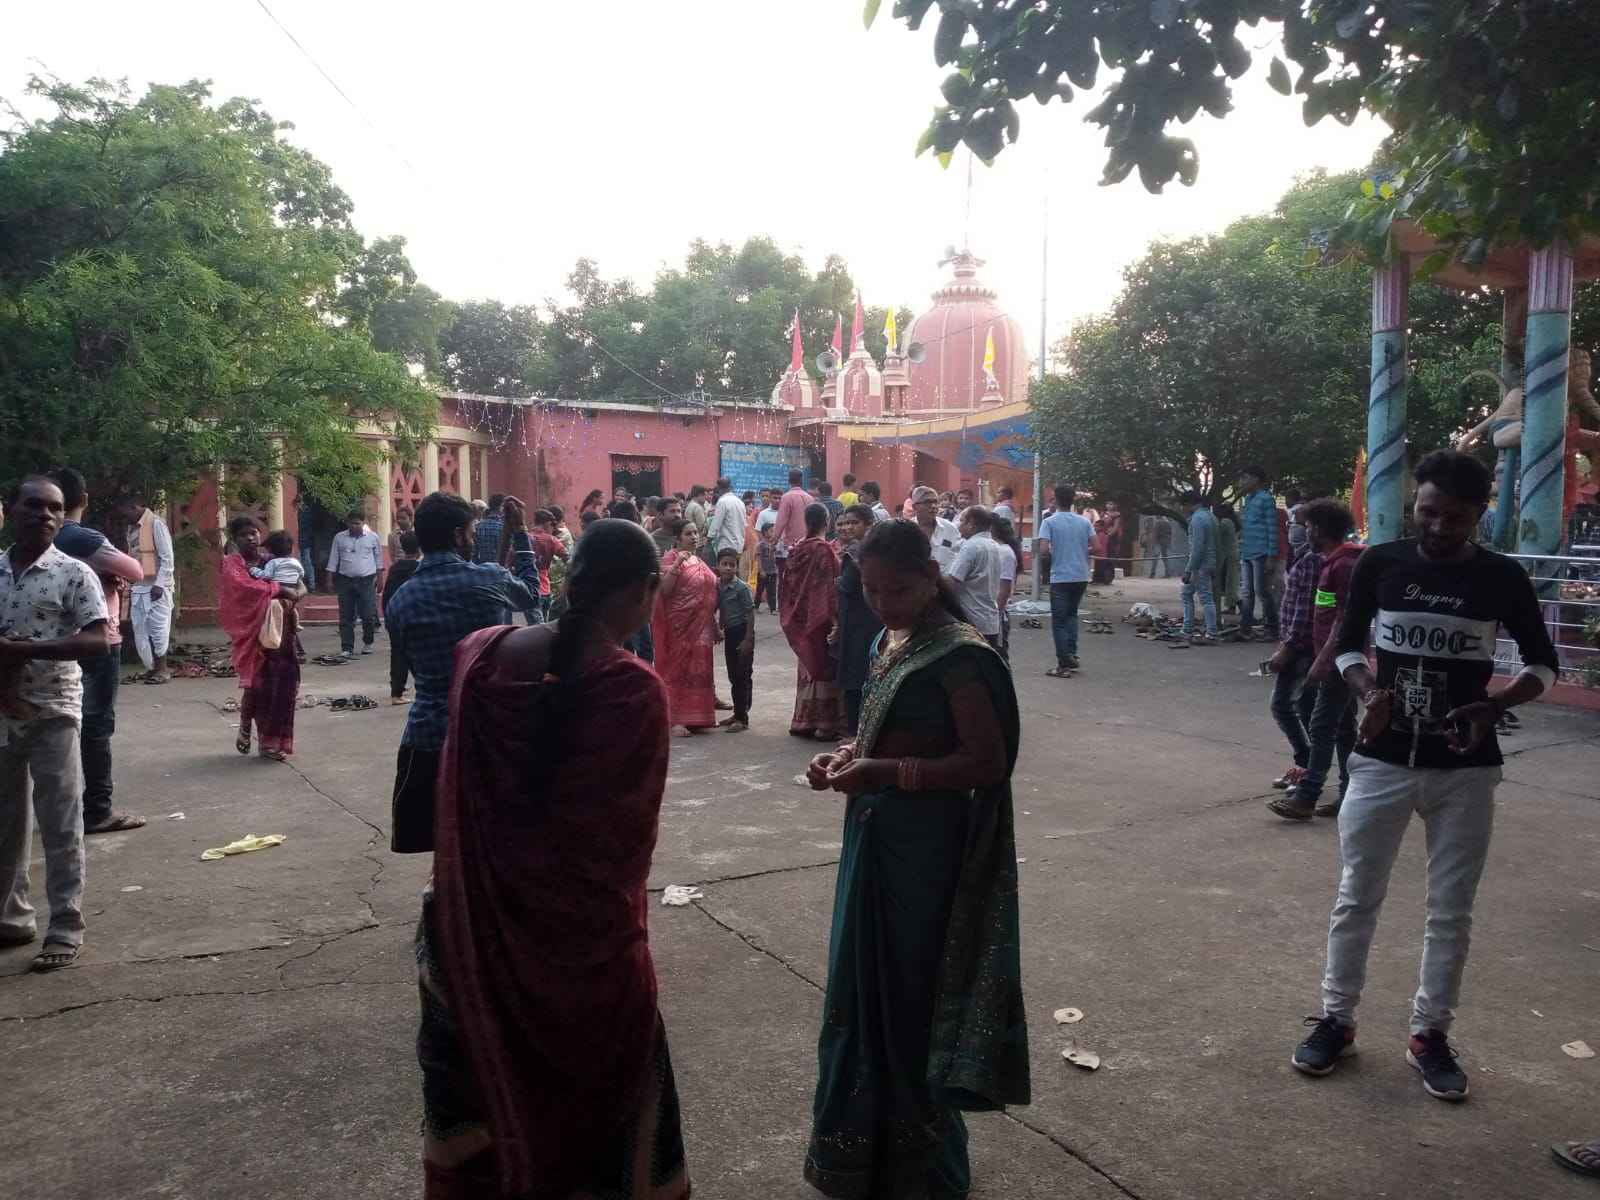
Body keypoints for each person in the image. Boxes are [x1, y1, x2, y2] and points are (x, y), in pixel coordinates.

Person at [417, 518, 689, 1200]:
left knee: (479, 1120)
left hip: (465, 941)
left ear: (571, 581)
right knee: (608, 1134)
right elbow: (622, 853)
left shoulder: (478, 656)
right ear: (646, 588)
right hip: (583, 961)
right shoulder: (630, 688)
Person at [1291, 450, 1559, 1102]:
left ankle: (1429, 1035)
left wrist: (1495, 704)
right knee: (1357, 896)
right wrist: (1367, 690)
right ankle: (1336, 1020)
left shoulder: (1501, 577)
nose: (1438, 527)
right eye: (1428, 512)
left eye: (1455, 518)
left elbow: (1543, 665)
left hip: (1465, 773)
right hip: (1380, 762)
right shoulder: (1380, 564)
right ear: (1416, 505)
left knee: (1451, 912)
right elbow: (1349, 645)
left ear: (1479, 514)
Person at [802, 518, 1029, 1198]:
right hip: (873, 836)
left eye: (897, 590)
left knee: (910, 996)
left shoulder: (960, 657)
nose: (884, 604)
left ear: (931, 577)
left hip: (927, 851)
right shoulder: (887, 639)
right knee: (860, 990)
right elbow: (881, 729)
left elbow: (986, 763)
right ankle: (858, 1156)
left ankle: (923, 1166)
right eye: (871, 591)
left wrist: (884, 772)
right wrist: (845, 756)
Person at [386, 492, 539, 854]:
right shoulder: (489, 580)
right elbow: (531, 594)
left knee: (442, 839)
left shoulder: (400, 600)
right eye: (470, 533)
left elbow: (409, 661)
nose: (472, 539)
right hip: (492, 728)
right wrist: (520, 534)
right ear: (457, 535)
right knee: (494, 840)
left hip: (428, 734)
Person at [0, 476, 110, 972]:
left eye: (55, 508)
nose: (45, 515)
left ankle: (65, 926)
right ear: (10, 510)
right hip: (3, 712)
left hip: (54, 711)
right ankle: (12, 919)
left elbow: (98, 641)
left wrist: (26, 651)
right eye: (34, 505)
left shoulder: (73, 572)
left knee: (60, 823)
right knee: (6, 824)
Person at [49, 468, 146, 835]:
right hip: (97, 638)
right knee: (96, 724)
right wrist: (102, 572)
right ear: (84, 499)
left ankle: (59, 806)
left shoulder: (37, 540)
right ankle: (98, 809)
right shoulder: (82, 537)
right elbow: (135, 570)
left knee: (58, 721)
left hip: (53, 641)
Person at [1269, 500, 1360, 820]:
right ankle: (1347, 794)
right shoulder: (1332, 562)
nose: (1303, 531)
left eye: (1306, 526)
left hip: (1336, 659)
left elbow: (1342, 619)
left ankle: (1307, 796)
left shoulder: (1340, 565)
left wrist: (1321, 660)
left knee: (1321, 725)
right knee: (1343, 728)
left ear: (1319, 529)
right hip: (1333, 657)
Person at [219, 515, 305, 763]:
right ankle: (247, 725)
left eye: (254, 533)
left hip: (282, 633)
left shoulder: (272, 560)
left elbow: (300, 586)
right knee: (258, 687)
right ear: (234, 539)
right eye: (244, 534)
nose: (251, 538)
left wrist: (294, 593)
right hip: (253, 635)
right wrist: (279, 590)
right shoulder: (232, 564)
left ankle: (272, 743)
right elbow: (244, 589)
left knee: (284, 687)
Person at [1261, 506, 1325, 794]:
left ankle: (1309, 772)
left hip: (1303, 647)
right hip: (1299, 644)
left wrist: (1287, 647)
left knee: (1295, 707)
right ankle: (1306, 766)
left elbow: (1305, 609)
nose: (1296, 531)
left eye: (1303, 525)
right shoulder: (1305, 556)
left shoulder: (1312, 561)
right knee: (1297, 707)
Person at [652, 518, 720, 736]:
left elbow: (707, 596)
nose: (694, 537)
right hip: (679, 627)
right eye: (688, 534)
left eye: (695, 533)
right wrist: (676, 565)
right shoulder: (670, 558)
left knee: (699, 671)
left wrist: (714, 625)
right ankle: (675, 720)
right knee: (677, 671)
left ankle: (699, 716)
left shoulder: (698, 560)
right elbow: (664, 591)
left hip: (702, 628)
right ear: (677, 538)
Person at [781, 503, 842, 740]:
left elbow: (788, 585)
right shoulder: (823, 550)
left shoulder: (797, 549)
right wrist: (835, 618)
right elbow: (828, 586)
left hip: (800, 616)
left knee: (808, 664)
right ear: (827, 521)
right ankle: (824, 724)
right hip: (820, 615)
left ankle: (804, 721)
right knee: (823, 664)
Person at [831, 504, 882, 736]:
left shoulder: (856, 551)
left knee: (855, 676)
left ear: (868, 524)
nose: (848, 527)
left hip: (858, 620)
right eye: (844, 523)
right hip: (871, 617)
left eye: (854, 523)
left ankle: (854, 733)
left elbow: (846, 585)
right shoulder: (874, 548)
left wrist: (835, 582)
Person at [1036, 484, 1094, 677]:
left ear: (1056, 499)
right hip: (1081, 575)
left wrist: (1054, 551)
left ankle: (1063, 663)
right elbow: (1097, 547)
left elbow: (1043, 551)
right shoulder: (1084, 522)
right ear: (1072, 500)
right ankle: (1072, 654)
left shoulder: (1049, 522)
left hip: (1060, 576)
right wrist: (1080, 550)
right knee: (1071, 615)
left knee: (1059, 621)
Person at [123, 493, 175, 683]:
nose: (124, 517)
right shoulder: (132, 528)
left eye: (125, 512)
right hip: (139, 585)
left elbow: (167, 558)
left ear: (135, 507)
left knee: (158, 629)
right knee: (141, 629)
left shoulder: (156, 524)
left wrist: (159, 585)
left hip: (157, 587)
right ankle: (151, 667)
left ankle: (162, 670)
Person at [946, 505, 1006, 650]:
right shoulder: (995, 546)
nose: (959, 525)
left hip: (972, 620)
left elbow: (952, 581)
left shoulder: (971, 547)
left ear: (971, 523)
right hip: (989, 620)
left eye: (962, 521)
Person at [326, 509, 382, 659]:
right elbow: (333, 559)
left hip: (366, 581)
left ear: (363, 523)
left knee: (368, 614)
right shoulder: (339, 538)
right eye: (352, 523)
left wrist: (380, 579)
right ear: (347, 523)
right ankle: (347, 647)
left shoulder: (372, 537)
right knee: (346, 616)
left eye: (357, 523)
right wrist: (329, 579)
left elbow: (378, 560)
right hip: (345, 580)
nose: (354, 526)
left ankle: (368, 642)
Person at [715, 548, 755, 732]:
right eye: (724, 564)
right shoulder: (718, 586)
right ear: (718, 566)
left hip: (742, 632)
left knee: (742, 675)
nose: (728, 568)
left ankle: (742, 718)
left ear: (737, 567)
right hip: (730, 633)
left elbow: (750, 613)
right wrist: (717, 628)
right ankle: (737, 712)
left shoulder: (741, 588)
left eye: (732, 565)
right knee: (733, 675)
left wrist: (748, 639)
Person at [1237, 466, 1280, 640]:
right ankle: (1245, 628)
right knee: (1246, 592)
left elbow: (1272, 528)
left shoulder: (1266, 499)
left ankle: (1272, 628)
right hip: (1247, 551)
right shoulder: (1248, 499)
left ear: (1255, 479)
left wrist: (1271, 555)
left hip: (1261, 552)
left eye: (1244, 478)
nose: (1241, 482)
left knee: (1262, 591)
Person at [383, 531, 422, 705]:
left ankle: (397, 691)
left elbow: (387, 594)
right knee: (414, 655)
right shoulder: (419, 569)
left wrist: (387, 616)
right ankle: (408, 690)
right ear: (419, 549)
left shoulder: (395, 568)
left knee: (398, 653)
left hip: (394, 616)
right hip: (414, 617)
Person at [1179, 492, 1220, 645]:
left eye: (1183, 505)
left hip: (1200, 564)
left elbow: (1197, 548)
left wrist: (1188, 570)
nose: (1182, 509)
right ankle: (1187, 629)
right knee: (1187, 593)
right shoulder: (1211, 516)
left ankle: (1211, 633)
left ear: (1189, 503)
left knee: (1205, 598)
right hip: (1209, 562)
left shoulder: (1197, 519)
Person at [774, 468, 813, 598]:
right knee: (804, 576)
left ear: (789, 480)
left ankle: (787, 603)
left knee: (788, 577)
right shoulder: (810, 498)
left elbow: (781, 522)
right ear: (802, 480)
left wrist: (773, 542)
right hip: (808, 543)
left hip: (791, 546)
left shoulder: (787, 497)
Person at [991, 515, 1023, 663]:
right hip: (994, 612)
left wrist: (997, 613)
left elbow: (1004, 588)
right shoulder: (997, 549)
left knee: (999, 656)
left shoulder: (1004, 552)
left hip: (998, 614)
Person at [910, 485, 961, 571]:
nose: (933, 506)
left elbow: (959, 556)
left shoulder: (950, 528)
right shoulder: (906, 530)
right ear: (914, 507)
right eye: (927, 502)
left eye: (935, 502)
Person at [708, 476, 747, 563]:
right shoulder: (740, 502)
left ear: (718, 488)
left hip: (726, 545)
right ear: (730, 487)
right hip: (739, 545)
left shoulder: (722, 501)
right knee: (734, 568)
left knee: (724, 569)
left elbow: (715, 525)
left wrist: (708, 542)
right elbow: (744, 525)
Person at [1214, 502, 1241, 616]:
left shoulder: (1225, 522)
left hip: (1228, 556)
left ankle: (1240, 607)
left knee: (1230, 584)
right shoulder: (1233, 521)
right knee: (1231, 583)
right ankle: (1232, 607)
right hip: (1232, 555)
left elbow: (1215, 534)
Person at [473, 494, 506, 565]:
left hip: (482, 568)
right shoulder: (504, 528)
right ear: (501, 507)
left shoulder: (477, 527)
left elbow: (474, 554)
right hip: (501, 568)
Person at [755, 525, 778, 614]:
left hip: (772, 571)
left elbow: (775, 556)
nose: (773, 533)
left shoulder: (773, 544)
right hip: (763, 571)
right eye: (771, 531)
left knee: (772, 590)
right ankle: (756, 606)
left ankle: (773, 609)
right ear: (764, 532)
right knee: (760, 590)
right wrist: (761, 570)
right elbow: (758, 558)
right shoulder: (760, 545)